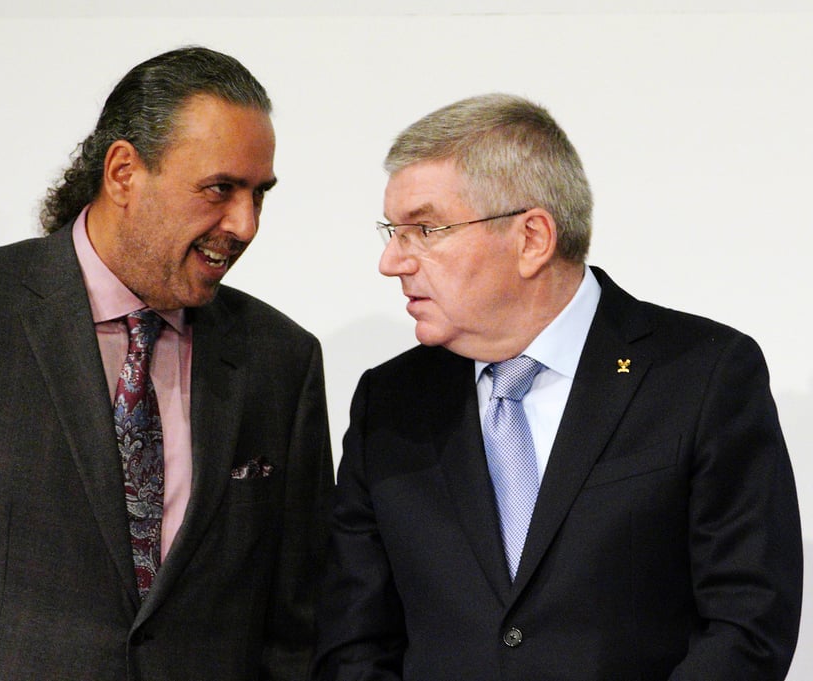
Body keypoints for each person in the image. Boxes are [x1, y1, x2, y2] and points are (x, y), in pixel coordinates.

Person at [0, 46, 333, 681]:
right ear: (123, 172)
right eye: (220, 188)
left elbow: (297, 625)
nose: (244, 224)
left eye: (258, 195)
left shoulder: (282, 359)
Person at [312, 93, 802, 680]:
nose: (392, 261)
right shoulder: (389, 401)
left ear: (532, 238)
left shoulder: (702, 374)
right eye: (393, 232)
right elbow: (353, 644)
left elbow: (747, 624)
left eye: (425, 229)